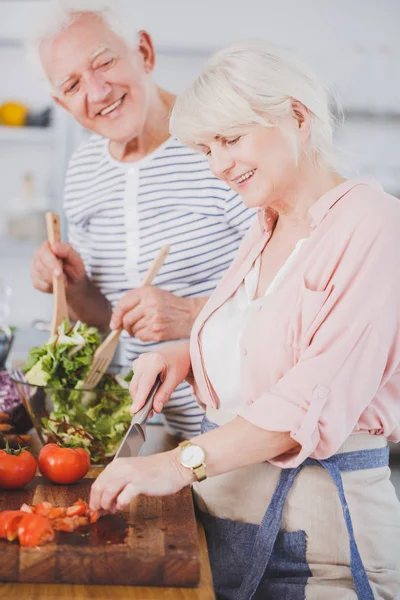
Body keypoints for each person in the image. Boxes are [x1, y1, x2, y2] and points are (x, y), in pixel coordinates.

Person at [90, 39, 400, 599]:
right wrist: (182, 357)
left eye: (231, 139)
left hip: (325, 551)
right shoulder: (266, 226)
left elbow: (311, 397)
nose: (219, 165)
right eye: (207, 148)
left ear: (297, 116)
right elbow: (259, 344)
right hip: (233, 528)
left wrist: (178, 465)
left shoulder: (374, 225)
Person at [28, 1, 254, 439]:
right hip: (147, 435)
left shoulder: (220, 143)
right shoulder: (83, 171)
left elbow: (297, 299)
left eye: (104, 62)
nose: (96, 92)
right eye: (73, 84)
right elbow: (106, 320)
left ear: (144, 53)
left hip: (240, 433)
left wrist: (191, 314)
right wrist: (73, 287)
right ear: (62, 103)